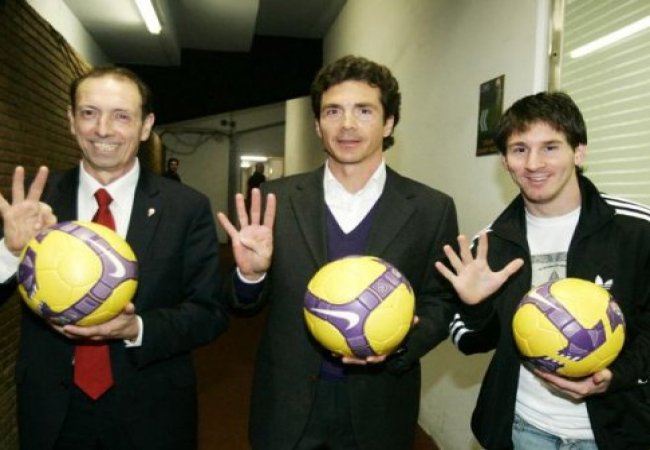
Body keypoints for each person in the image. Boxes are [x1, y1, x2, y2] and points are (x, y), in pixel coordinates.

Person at [218, 55, 459, 450]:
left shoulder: (431, 209)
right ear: (317, 125)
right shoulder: (275, 201)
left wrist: (398, 344)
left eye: (364, 110)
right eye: (333, 111)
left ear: (389, 122)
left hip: (379, 405)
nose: (347, 124)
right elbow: (241, 305)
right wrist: (251, 275)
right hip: (289, 404)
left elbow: (441, 302)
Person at [0, 67, 229, 450]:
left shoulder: (186, 207)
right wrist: (10, 252)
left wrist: (136, 328)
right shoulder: (36, 203)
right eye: (89, 113)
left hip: (153, 409)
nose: (103, 130)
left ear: (146, 126)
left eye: (121, 116)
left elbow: (210, 313)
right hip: (53, 409)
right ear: (71, 120)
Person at [435, 92, 650, 450]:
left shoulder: (637, 229)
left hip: (619, 431)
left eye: (550, 147)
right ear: (505, 161)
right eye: (519, 149)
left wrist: (615, 375)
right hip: (525, 428)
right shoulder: (490, 245)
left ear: (579, 152)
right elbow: (470, 343)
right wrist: (475, 307)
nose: (533, 163)